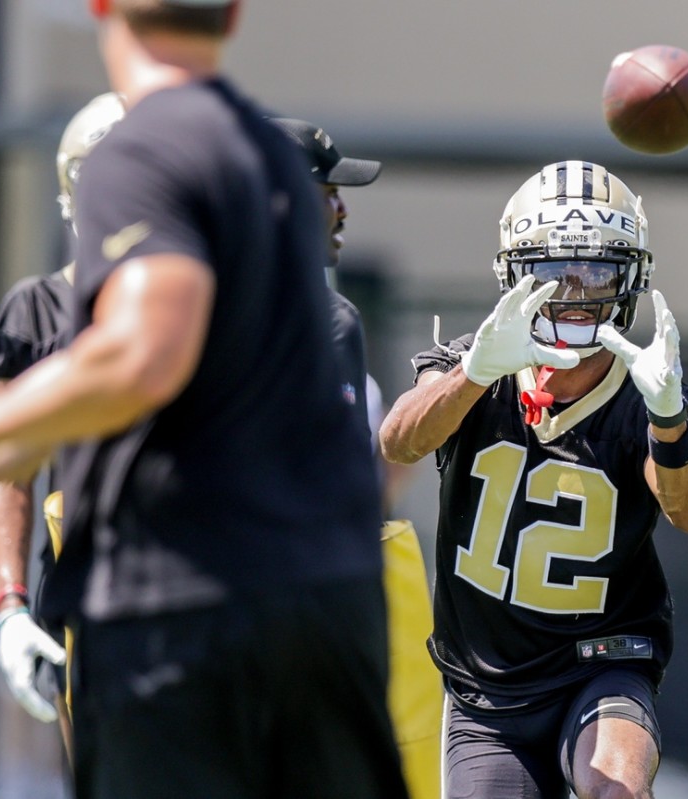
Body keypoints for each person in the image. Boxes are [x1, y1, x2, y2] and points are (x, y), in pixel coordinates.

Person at [0, 2, 408, 798]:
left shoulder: (139, 147)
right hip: (328, 604)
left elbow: (143, 352)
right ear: (233, 12)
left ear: (103, 7)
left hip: (180, 609)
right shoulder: (276, 163)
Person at [380, 160, 688, 799]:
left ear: (630, 279)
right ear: (513, 274)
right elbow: (399, 440)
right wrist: (475, 372)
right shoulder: (470, 369)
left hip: (604, 660)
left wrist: (669, 421)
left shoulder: (649, 392)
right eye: (550, 271)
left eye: (595, 271)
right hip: (488, 688)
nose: (572, 291)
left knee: (614, 789)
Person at [273, 116, 443, 799]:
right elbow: (341, 507)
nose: (341, 208)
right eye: (326, 191)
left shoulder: (175, 298)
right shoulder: (325, 316)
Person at [0, 92, 125, 757]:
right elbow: (9, 471)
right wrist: (9, 604)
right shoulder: (39, 309)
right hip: (80, 583)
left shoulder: (201, 300)